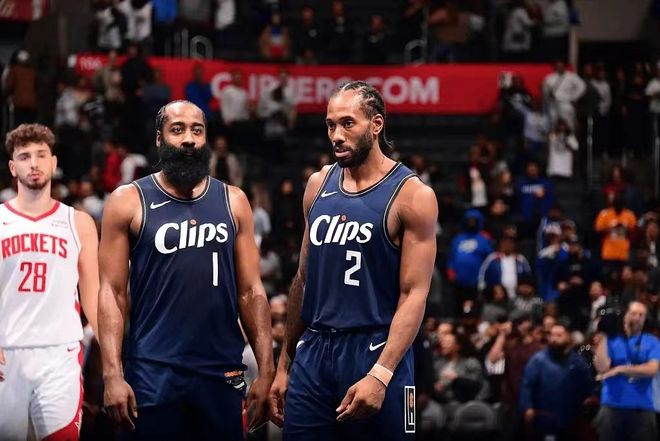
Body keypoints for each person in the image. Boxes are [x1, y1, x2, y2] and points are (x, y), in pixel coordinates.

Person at [269, 81, 438, 439]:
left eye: (348, 123)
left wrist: (381, 374)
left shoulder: (412, 195)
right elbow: (303, 279)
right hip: (314, 350)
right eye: (330, 125)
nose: (336, 135)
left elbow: (414, 294)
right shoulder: (317, 185)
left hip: (375, 348)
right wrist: (284, 365)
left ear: (376, 124)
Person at [97, 100, 274, 440]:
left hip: (222, 371)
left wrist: (266, 371)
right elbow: (112, 292)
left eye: (197, 130)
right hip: (153, 369)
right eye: (177, 130)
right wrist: (112, 375)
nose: (189, 139)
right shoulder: (128, 200)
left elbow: (251, 291)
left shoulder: (234, 200)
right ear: (159, 139)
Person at [0, 123, 100, 440]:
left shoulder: (78, 222)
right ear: (12, 167)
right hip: (6, 353)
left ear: (54, 162)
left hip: (60, 354)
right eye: (24, 156)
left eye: (41, 155)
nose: (34, 163)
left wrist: (114, 363)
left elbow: (93, 295)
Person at [593, 301, 660, 441]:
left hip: (642, 406)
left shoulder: (652, 341)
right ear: (626, 315)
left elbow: (652, 369)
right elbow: (602, 367)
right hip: (611, 405)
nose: (637, 318)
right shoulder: (611, 340)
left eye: (641, 315)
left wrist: (620, 369)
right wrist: (604, 336)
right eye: (634, 313)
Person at [519, 322, 594, 441]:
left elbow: (588, 386)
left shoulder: (577, 362)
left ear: (568, 337)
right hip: (544, 418)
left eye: (559, 335)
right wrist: (527, 407)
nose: (554, 339)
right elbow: (527, 385)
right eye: (552, 335)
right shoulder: (538, 360)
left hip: (570, 419)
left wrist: (588, 400)